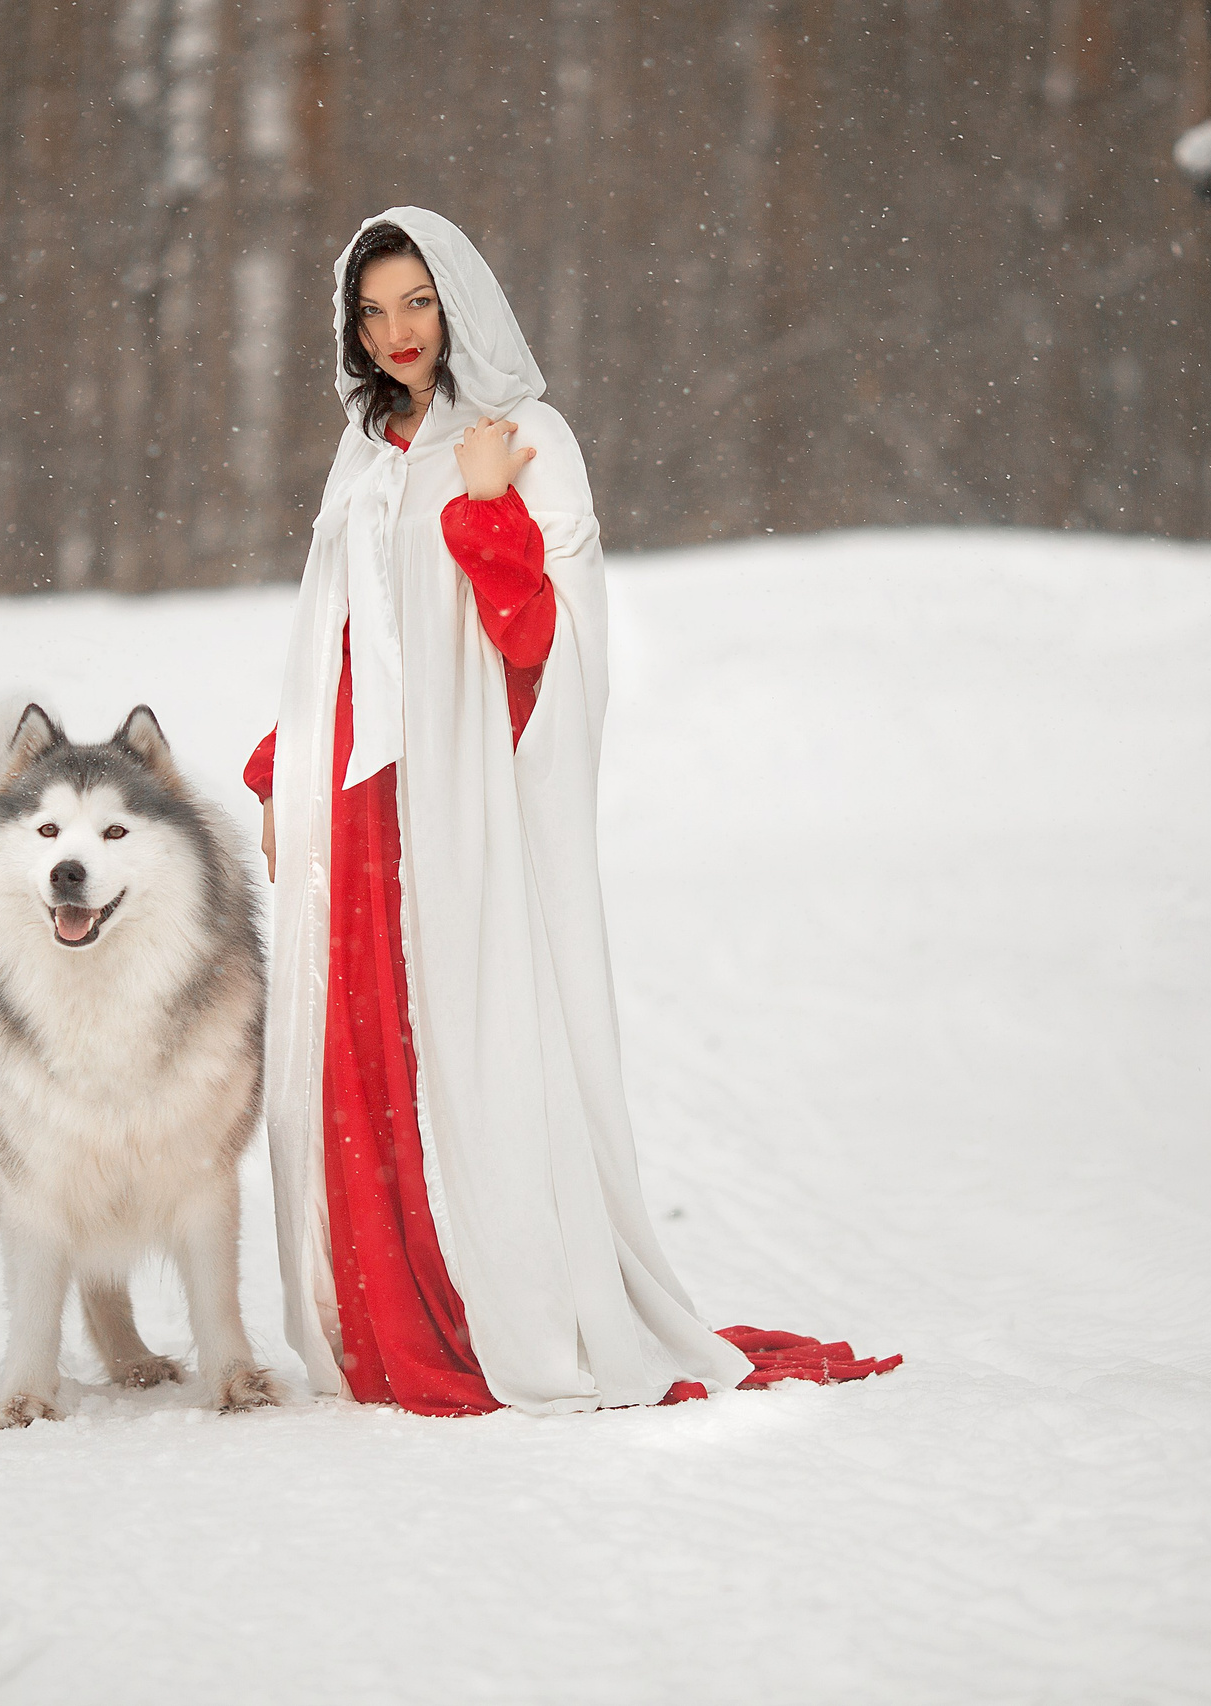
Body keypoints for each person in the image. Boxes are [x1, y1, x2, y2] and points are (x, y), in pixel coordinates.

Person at [245, 207, 897, 1416]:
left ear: (460, 303)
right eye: (373, 310)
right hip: (355, 797)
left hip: (462, 804)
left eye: (418, 304)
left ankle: (502, 1304)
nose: (395, 333)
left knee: (474, 1041)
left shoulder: (526, 436)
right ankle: (393, 1316)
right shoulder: (365, 451)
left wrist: (485, 505)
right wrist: (284, 768)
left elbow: (550, 644)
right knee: (364, 1060)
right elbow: (340, 636)